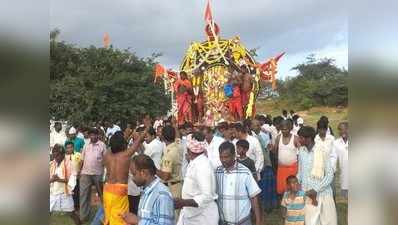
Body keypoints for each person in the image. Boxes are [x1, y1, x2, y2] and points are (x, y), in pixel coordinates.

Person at [174, 132, 219, 225]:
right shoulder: (194, 162)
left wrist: (183, 202)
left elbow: (207, 196)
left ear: (189, 150)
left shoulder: (202, 166)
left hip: (203, 218)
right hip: (190, 214)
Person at [215, 141, 263, 225]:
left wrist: (258, 220)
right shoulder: (217, 172)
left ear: (233, 155)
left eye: (226, 157)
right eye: (221, 157)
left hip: (243, 221)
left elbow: (254, 196)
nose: (223, 160)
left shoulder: (245, 172)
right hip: (223, 222)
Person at [297, 126, 337, 225]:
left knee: (327, 222)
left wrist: (316, 189)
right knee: (311, 222)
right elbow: (300, 172)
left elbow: (329, 175)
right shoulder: (302, 151)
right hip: (308, 194)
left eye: (301, 138)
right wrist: (295, 185)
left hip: (323, 194)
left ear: (308, 138)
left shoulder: (322, 150)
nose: (298, 140)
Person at [103, 130, 144, 225]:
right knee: (121, 219)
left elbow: (114, 144)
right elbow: (138, 141)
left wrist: (125, 136)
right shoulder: (126, 155)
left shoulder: (107, 155)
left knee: (109, 217)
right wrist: (146, 129)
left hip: (107, 189)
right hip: (119, 191)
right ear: (123, 145)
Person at [121, 155, 175, 225]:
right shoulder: (146, 191)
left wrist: (137, 221)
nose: (132, 178)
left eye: (134, 174)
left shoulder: (162, 195)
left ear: (143, 173)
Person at [79, 128, 107, 222]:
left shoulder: (102, 145)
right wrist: (79, 171)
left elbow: (106, 160)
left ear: (98, 135)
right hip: (85, 173)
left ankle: (104, 216)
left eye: (95, 135)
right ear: (89, 135)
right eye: (91, 135)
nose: (93, 136)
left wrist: (105, 173)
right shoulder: (86, 144)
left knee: (102, 196)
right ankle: (84, 217)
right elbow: (82, 159)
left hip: (98, 174)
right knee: (83, 195)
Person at [50, 144, 81, 225]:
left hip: (65, 193)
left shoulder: (70, 164)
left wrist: (58, 179)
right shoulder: (53, 164)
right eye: (54, 156)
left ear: (63, 154)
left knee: (71, 213)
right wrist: (52, 180)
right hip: (54, 193)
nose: (56, 158)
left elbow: (72, 180)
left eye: (57, 156)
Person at [252, 118, 278, 212]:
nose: (258, 127)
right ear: (251, 126)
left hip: (267, 163)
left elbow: (266, 149)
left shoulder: (261, 135)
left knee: (270, 185)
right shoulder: (253, 138)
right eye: (256, 125)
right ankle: (265, 206)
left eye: (259, 125)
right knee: (264, 187)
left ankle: (271, 204)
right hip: (262, 166)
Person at [272, 120, 300, 195]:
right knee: (282, 190)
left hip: (293, 169)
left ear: (290, 128)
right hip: (281, 169)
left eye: (286, 129)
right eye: (282, 129)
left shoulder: (295, 138)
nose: (284, 131)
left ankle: (293, 205)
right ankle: (284, 205)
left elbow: (301, 153)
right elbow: (274, 151)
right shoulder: (278, 138)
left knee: (293, 189)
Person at [157, 125, 183, 201]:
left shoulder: (168, 155)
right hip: (178, 186)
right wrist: (174, 125)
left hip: (171, 189)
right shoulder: (178, 146)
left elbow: (165, 176)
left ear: (163, 137)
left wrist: (153, 169)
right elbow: (178, 137)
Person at [332, 122, 349, 200]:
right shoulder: (336, 143)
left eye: (345, 129)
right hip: (345, 177)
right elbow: (333, 158)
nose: (342, 132)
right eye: (340, 130)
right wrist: (332, 170)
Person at [65, 141, 82, 212]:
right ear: (65, 149)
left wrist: (79, 172)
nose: (69, 149)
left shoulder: (78, 154)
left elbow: (81, 163)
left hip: (76, 177)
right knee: (68, 193)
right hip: (67, 178)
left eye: (71, 147)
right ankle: (68, 207)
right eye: (67, 148)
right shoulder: (64, 156)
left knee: (76, 193)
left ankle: (77, 207)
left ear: (73, 147)